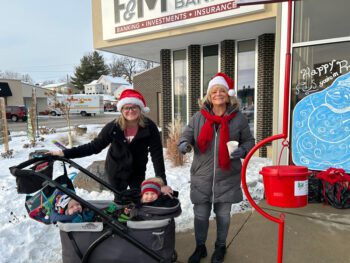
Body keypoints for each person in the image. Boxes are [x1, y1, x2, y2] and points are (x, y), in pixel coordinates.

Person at [178, 72, 255, 263]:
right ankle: (200, 247)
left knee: (223, 216)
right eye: (214, 91)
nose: (218, 94)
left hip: (227, 175)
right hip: (201, 177)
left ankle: (220, 247)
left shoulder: (238, 119)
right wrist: (184, 145)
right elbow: (185, 136)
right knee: (201, 215)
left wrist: (243, 150)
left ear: (228, 95)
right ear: (209, 95)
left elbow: (250, 142)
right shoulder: (198, 118)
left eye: (221, 90)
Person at [49, 89, 173, 199]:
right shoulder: (113, 127)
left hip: (137, 170)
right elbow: (94, 147)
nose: (130, 110)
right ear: (121, 110)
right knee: (120, 201)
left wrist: (162, 183)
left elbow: (157, 155)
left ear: (140, 108)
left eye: (134, 107)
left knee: (137, 198)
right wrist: (64, 153)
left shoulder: (149, 127)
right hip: (116, 170)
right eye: (126, 107)